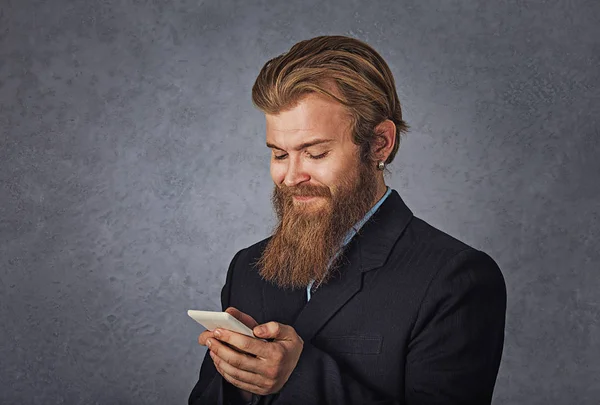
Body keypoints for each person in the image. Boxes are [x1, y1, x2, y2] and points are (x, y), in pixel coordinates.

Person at [188, 35, 507, 405]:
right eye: (278, 154)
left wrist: (297, 377)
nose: (291, 177)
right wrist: (240, 378)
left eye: (316, 153)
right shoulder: (247, 268)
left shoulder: (455, 279)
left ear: (379, 144)